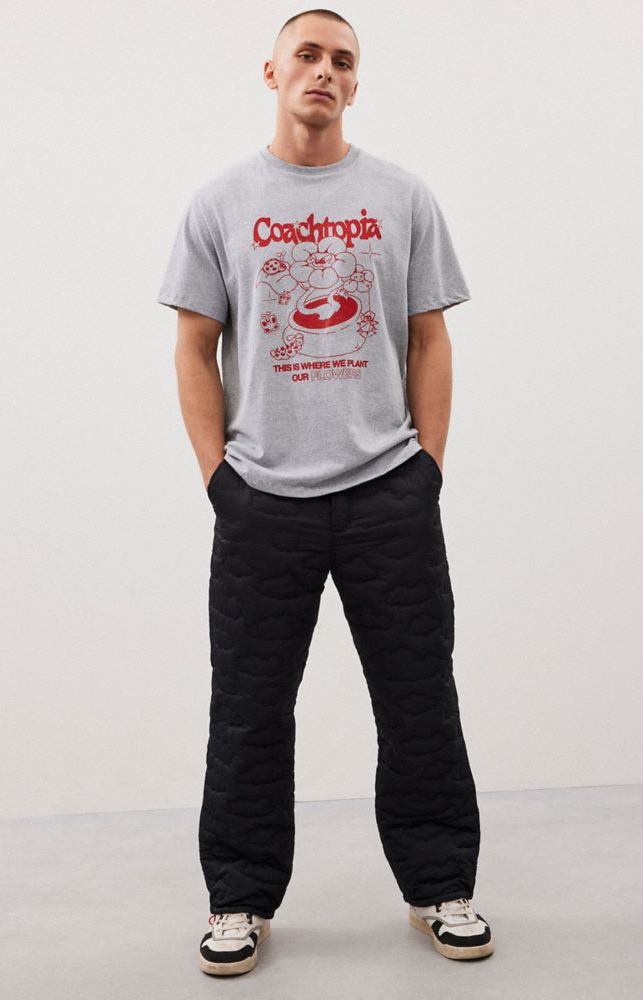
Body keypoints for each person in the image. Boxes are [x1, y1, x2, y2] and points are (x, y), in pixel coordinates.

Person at [157, 7, 493, 977]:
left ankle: (440, 885)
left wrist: (427, 468)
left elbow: (430, 337)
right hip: (263, 499)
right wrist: (219, 479)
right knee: (249, 710)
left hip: (388, 491)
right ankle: (238, 899)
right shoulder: (220, 202)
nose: (324, 71)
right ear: (271, 73)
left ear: (355, 82)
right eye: (306, 55)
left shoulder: (402, 196)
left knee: (419, 699)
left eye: (342, 60)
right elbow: (192, 347)